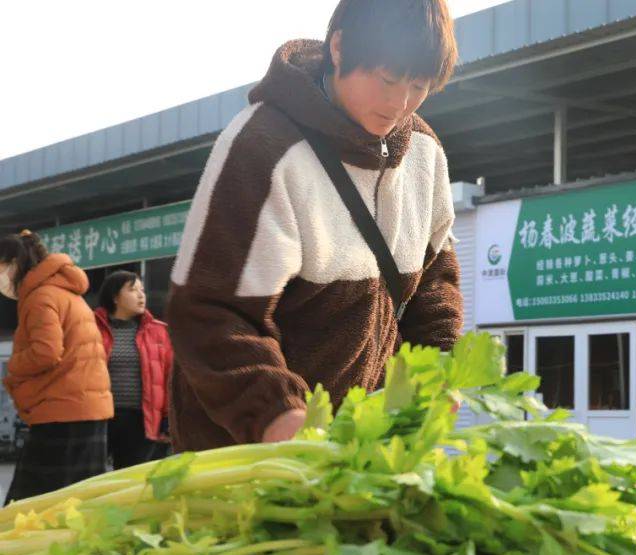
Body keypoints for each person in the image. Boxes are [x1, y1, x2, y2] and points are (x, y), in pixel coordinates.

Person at [166, 0, 463, 451]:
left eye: (418, 85)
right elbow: (210, 312)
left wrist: (438, 367)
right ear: (339, 48)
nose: (398, 103)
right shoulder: (262, 146)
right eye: (386, 79)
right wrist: (280, 417)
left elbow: (434, 284)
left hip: (360, 445)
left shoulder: (424, 152)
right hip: (249, 449)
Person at [1, 231, 112, 503]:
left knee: (29, 504)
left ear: (14, 263)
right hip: (83, 407)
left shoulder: (41, 297)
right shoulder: (65, 292)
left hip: (62, 411)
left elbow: (46, 352)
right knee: (78, 503)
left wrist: (13, 366)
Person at [94, 271, 173, 469]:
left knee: (134, 479)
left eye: (142, 290)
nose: (141, 295)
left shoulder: (160, 332)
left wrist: (168, 418)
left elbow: (170, 379)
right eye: (133, 290)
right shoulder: (89, 328)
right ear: (115, 297)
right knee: (92, 480)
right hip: (99, 418)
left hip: (141, 420)